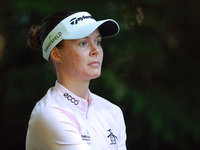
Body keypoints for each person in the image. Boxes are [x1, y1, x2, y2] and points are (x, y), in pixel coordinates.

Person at [26, 9, 127, 150]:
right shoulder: (49, 114)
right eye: (83, 43)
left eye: (97, 42)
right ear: (56, 54)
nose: (96, 50)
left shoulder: (112, 111)